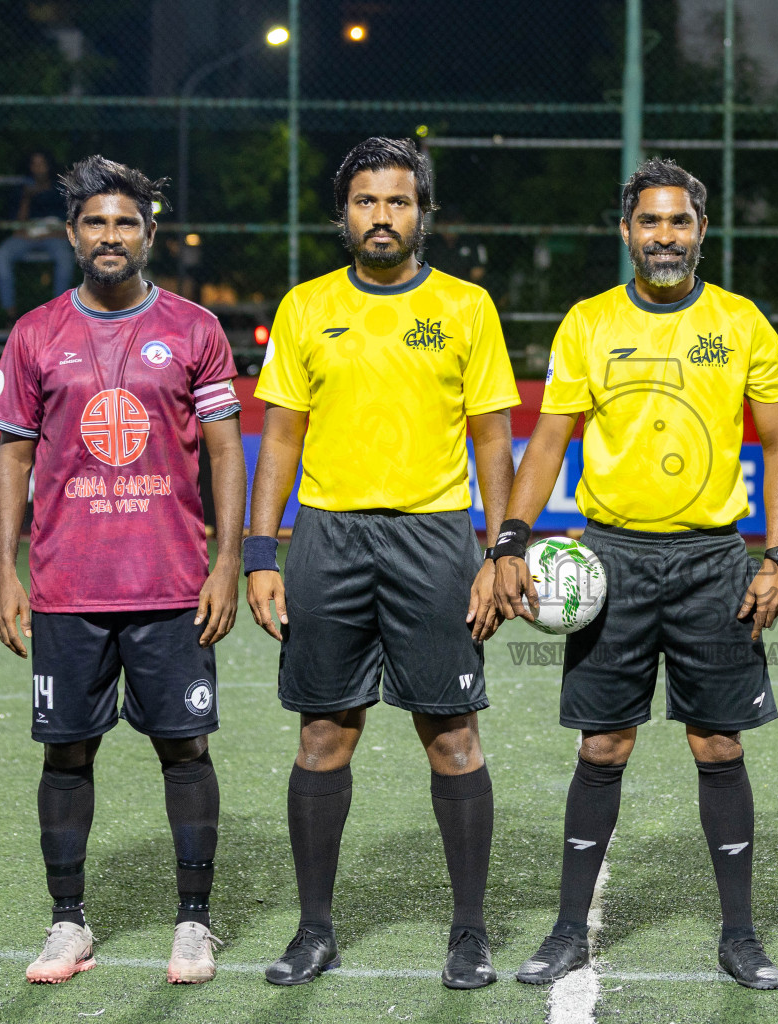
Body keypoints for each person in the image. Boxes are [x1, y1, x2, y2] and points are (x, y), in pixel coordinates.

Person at [492, 157, 778, 991]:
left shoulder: (742, 323)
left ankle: (740, 936)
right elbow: (549, 438)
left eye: (679, 222)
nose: (664, 236)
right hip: (609, 560)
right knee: (604, 743)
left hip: (711, 560)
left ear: (702, 230)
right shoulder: (589, 322)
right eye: (649, 222)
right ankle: (565, 932)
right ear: (626, 231)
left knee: (717, 742)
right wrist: (511, 542)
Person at [245, 137, 519, 990]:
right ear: (345, 214)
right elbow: (280, 438)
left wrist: (499, 550)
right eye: (367, 201)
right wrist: (262, 553)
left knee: (454, 738)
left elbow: (494, 439)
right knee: (324, 734)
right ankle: (314, 930)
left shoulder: (468, 307)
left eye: (399, 202)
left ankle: (468, 933)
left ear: (423, 214)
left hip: (435, 540)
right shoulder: (304, 307)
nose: (382, 216)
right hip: (328, 540)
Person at [0, 156, 246, 986]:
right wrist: (4, 569)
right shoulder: (33, 335)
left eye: (125, 223)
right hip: (67, 587)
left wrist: (228, 561)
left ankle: (194, 926)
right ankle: (69, 925)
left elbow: (226, 453)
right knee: (66, 756)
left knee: (185, 749)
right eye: (96, 223)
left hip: (171, 586)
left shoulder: (197, 329)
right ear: (72, 235)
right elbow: (13, 458)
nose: (110, 236)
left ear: (149, 234)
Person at [0, 152, 76, 321]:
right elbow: (17, 227)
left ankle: (59, 314)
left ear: (49, 166)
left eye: (42, 163)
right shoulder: (21, 189)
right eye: (34, 164)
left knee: (65, 258)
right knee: (2, 255)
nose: (38, 168)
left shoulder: (61, 189)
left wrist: (54, 233)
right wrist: (27, 197)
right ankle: (9, 314)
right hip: (28, 235)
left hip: (55, 235)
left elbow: (70, 226)